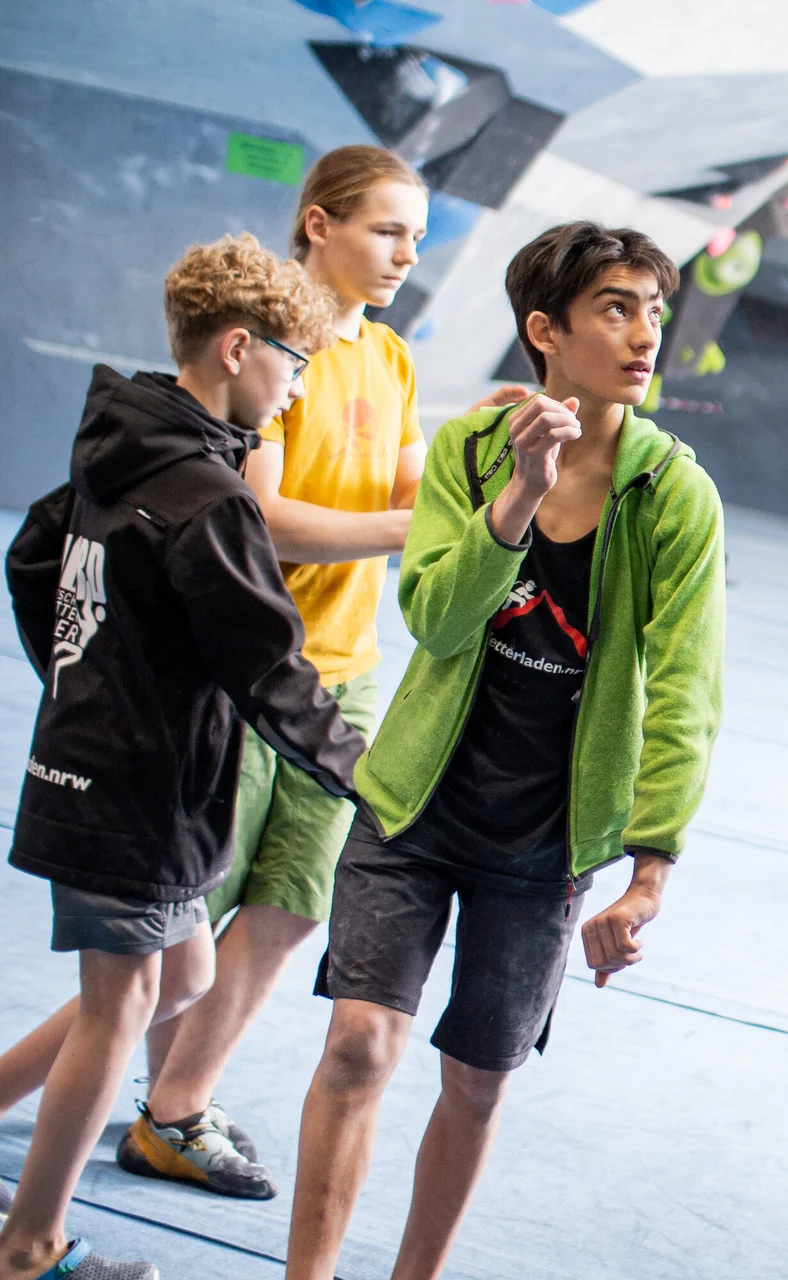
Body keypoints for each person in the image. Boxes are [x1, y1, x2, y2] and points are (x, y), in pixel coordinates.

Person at [282, 222, 726, 1280]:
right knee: (359, 1043)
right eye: (617, 307)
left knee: (476, 1079)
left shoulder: (674, 497)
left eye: (653, 308)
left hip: (544, 842)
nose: (644, 331)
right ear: (547, 332)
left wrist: (649, 870)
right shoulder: (472, 456)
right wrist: (519, 491)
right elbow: (435, 616)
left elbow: (687, 691)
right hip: (414, 806)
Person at [107, 145, 524, 1202]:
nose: (405, 254)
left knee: (291, 906)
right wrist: (416, 526)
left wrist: (496, 448)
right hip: (245, 673)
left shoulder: (389, 357)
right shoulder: (278, 354)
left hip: (350, 669)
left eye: (417, 238)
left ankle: (173, 1109)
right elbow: (264, 519)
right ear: (319, 224)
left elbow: (404, 477)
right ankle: (99, 1084)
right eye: (387, 230)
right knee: (178, 922)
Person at [0, 235, 366, 1280]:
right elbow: (269, 667)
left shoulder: (119, 445)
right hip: (136, 789)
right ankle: (29, 1247)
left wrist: (82, 685)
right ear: (240, 347)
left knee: (185, 971)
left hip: (101, 765)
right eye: (294, 365)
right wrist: (374, 781)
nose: (296, 392)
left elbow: (35, 559)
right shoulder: (207, 495)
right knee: (119, 1009)